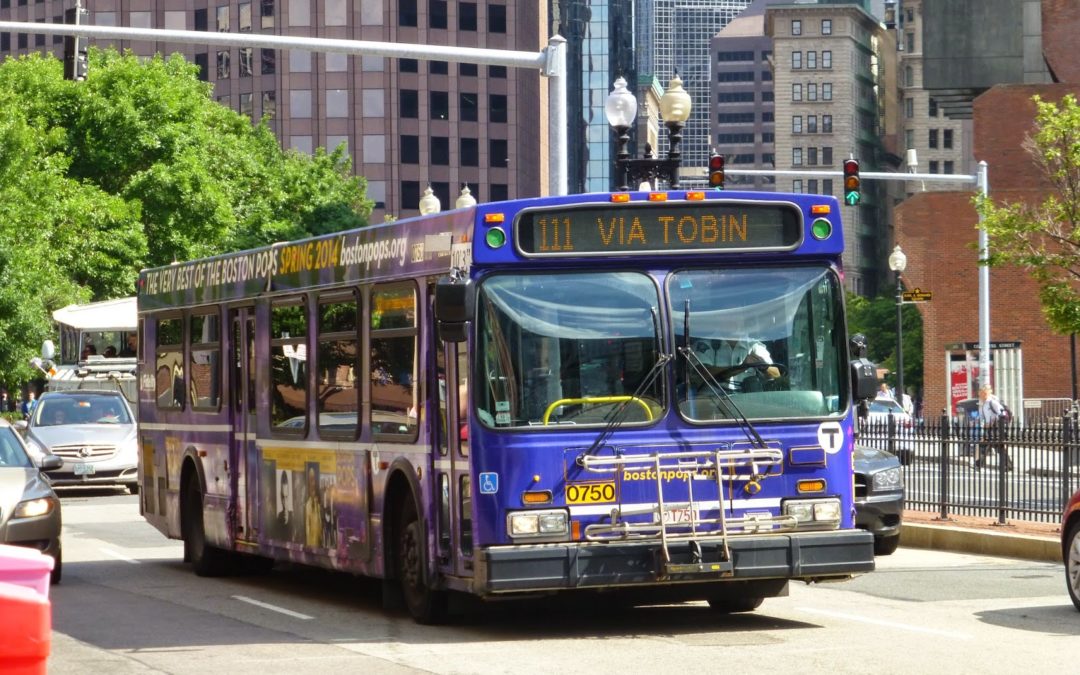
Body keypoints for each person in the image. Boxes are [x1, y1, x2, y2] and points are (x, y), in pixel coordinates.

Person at [693, 337, 780, 391]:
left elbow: (776, 374)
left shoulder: (753, 345)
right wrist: (742, 367)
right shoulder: (705, 344)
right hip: (712, 401)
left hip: (747, 402)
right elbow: (704, 373)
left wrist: (764, 367)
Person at [975, 383, 1013, 471]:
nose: (981, 395)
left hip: (996, 429)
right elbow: (982, 417)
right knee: (984, 445)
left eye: (983, 393)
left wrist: (992, 422)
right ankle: (979, 465)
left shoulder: (992, 402)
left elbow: (1002, 413)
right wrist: (979, 423)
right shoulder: (982, 405)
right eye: (980, 393)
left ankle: (1008, 465)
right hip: (988, 429)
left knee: (999, 447)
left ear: (987, 393)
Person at [304, 466, 323, 548]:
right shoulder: (307, 506)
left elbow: (320, 523)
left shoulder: (319, 502)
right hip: (312, 545)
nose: (313, 483)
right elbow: (307, 529)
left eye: (314, 479)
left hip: (320, 544)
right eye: (311, 479)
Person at [276, 471, 293, 540]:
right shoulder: (278, 517)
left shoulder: (293, 517)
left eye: (286, 497)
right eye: (283, 497)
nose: (284, 502)